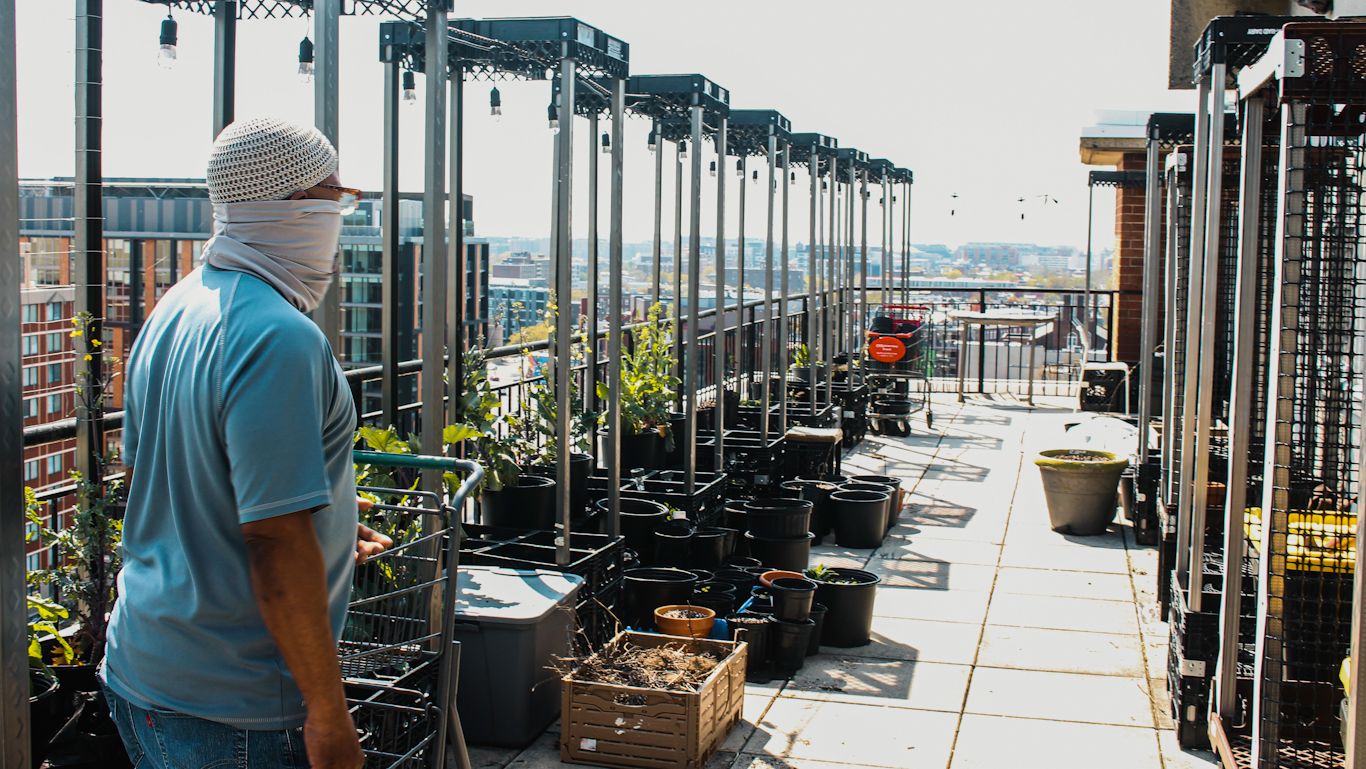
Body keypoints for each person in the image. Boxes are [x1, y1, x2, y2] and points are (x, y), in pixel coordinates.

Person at [101, 117, 391, 769]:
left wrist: (332, 524)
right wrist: (327, 715)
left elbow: (171, 484)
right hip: (238, 704)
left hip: (144, 671)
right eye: (334, 198)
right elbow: (273, 538)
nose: (341, 218)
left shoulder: (174, 310)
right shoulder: (278, 338)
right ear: (294, 208)